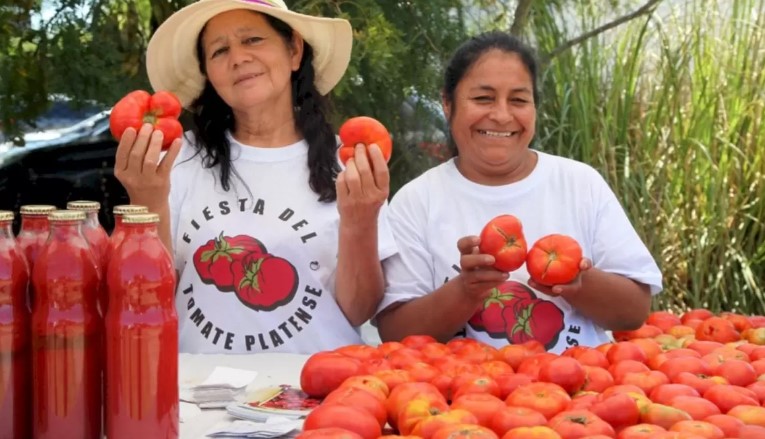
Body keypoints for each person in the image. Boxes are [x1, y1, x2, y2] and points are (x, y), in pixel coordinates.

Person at [114, 0, 396, 354]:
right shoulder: (173, 161)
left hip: (317, 391)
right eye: (219, 51)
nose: (237, 58)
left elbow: (358, 310)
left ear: (294, 51)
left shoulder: (351, 165)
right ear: (208, 74)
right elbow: (146, 300)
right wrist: (147, 202)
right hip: (197, 397)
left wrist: (360, 221)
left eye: (252, 40)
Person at [375, 31, 662, 354]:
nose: (501, 115)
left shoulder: (580, 184)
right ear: (447, 103)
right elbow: (395, 333)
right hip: (458, 398)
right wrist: (465, 290)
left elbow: (634, 311)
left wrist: (579, 284)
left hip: (576, 391)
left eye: (519, 100)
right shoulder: (417, 201)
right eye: (483, 98)